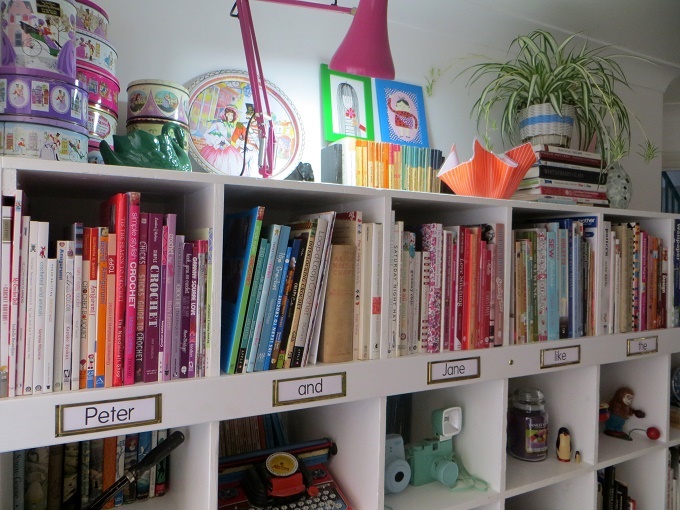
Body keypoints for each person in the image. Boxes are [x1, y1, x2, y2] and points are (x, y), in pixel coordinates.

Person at [200, 106, 246, 176]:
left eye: (232, 115)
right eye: (228, 114)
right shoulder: (217, 125)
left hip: (229, 149)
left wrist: (239, 138)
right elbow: (205, 134)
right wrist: (215, 141)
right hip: (216, 148)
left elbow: (234, 139)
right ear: (224, 115)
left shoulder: (233, 128)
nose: (230, 117)